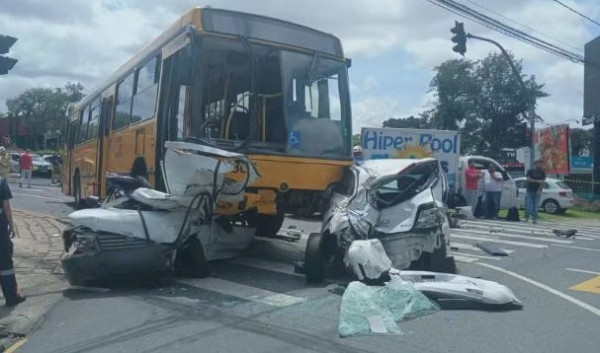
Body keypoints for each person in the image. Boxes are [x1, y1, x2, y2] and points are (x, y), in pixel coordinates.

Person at [0, 176, 25, 306]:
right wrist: (11, 225)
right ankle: (11, 296)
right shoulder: (1, 182)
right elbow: (6, 207)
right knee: (5, 263)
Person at [525, 159, 546, 224]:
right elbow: (528, 179)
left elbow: (542, 182)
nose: (540, 165)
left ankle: (534, 219)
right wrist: (537, 181)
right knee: (528, 205)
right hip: (529, 190)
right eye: (539, 163)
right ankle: (527, 217)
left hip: (537, 191)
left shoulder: (542, 172)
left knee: (536, 206)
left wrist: (539, 190)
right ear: (535, 164)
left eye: (541, 164)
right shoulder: (530, 171)